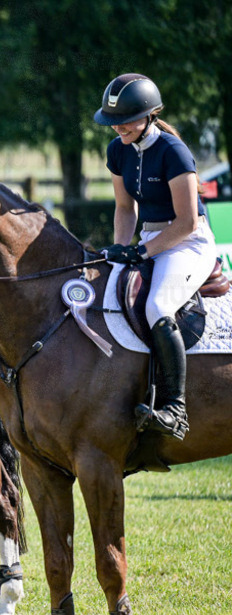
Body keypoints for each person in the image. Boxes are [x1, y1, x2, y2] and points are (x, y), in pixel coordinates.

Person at [94, 73, 218, 440]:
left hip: (187, 242)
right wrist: (120, 249)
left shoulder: (173, 152)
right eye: (113, 122)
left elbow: (187, 222)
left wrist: (143, 250)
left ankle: (175, 409)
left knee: (157, 306)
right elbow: (124, 207)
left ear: (149, 116)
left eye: (127, 120)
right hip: (149, 237)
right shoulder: (118, 150)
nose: (119, 127)